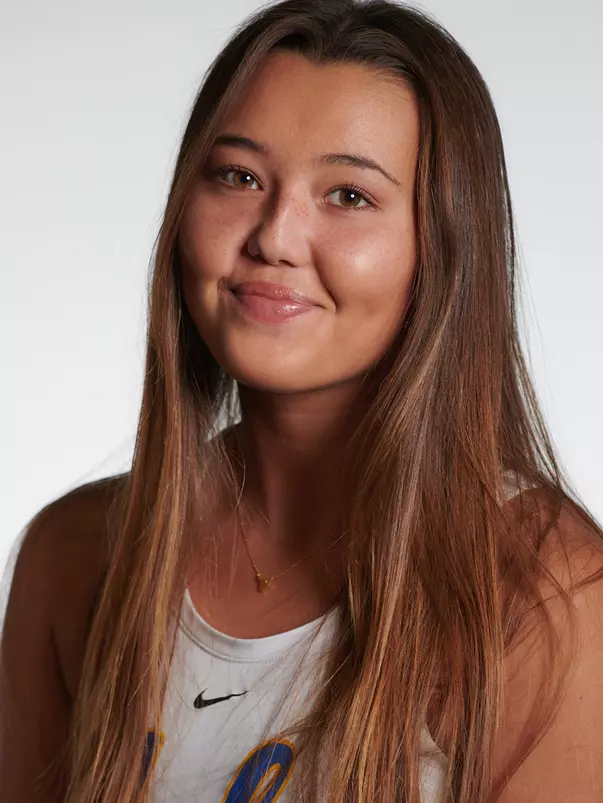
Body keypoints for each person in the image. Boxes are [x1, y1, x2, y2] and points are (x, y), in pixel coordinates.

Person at [1, 0, 603, 801]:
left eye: (348, 195)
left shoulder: (544, 592)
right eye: (237, 176)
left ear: (443, 248)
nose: (275, 237)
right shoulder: (74, 555)